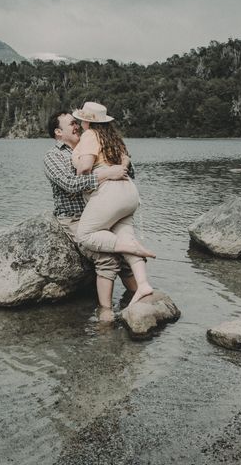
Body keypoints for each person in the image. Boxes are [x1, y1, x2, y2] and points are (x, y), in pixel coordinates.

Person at [44, 110, 137, 321]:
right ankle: (105, 311)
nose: (77, 126)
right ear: (58, 132)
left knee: (126, 256)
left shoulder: (95, 144)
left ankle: (139, 297)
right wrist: (105, 173)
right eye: (71, 124)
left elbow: (128, 174)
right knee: (106, 255)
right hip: (75, 217)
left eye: (77, 123)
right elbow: (69, 185)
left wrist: (124, 164)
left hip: (104, 213)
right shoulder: (53, 156)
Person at [71, 101, 155, 305]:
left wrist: (81, 166)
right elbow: (126, 160)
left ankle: (132, 248)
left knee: (84, 235)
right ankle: (143, 285)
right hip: (129, 192)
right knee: (124, 233)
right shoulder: (113, 138)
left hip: (109, 192)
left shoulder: (90, 135)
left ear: (86, 121)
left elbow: (85, 167)